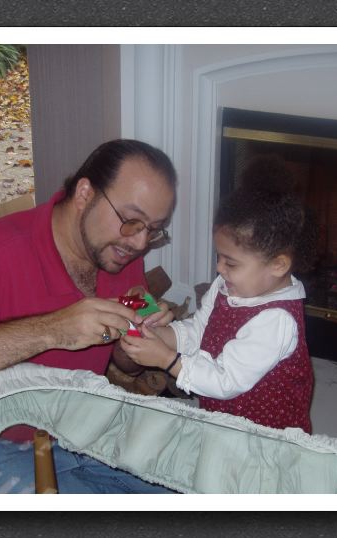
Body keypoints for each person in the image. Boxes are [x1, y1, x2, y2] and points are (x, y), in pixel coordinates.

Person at [0, 139, 178, 493]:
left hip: (80, 434)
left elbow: (126, 362)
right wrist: (54, 329)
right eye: (131, 221)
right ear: (85, 193)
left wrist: (140, 336)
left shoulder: (121, 254)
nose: (139, 243)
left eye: (154, 229)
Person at [121, 155, 316, 433]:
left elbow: (225, 381)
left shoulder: (277, 320)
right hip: (226, 421)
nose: (218, 267)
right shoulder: (226, 285)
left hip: (264, 435)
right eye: (219, 256)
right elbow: (201, 331)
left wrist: (166, 359)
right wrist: (162, 337)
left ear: (278, 265)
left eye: (231, 262)